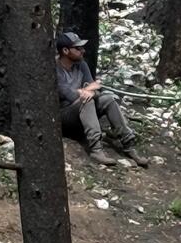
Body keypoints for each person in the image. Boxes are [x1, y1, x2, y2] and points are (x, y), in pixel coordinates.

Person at [55, 32, 148, 167]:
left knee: (108, 99)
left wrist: (89, 91)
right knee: (86, 101)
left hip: (81, 110)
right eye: (78, 48)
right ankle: (96, 148)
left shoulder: (81, 64)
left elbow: (96, 86)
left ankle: (128, 143)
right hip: (64, 116)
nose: (83, 50)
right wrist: (88, 91)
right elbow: (69, 95)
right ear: (65, 50)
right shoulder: (54, 68)